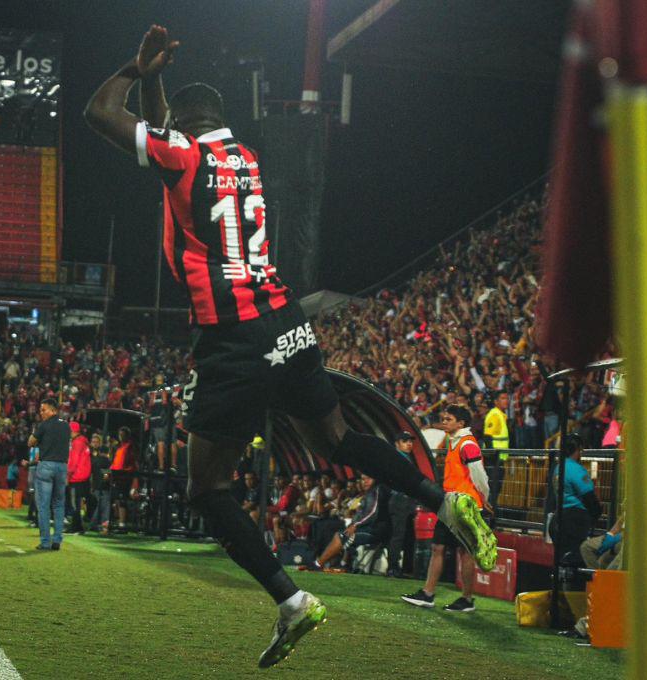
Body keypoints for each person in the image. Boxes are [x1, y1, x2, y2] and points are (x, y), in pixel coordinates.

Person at [84, 24, 496, 667]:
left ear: (184, 131)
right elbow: (171, 130)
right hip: (288, 320)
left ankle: (290, 600)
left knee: (205, 488)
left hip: (233, 337)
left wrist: (136, 70)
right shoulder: (244, 158)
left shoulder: (185, 158)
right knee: (337, 440)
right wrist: (163, 82)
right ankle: (445, 500)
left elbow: (99, 113)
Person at [402, 405, 491, 612]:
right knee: (439, 547)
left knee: (464, 552)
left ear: (461, 423)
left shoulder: (467, 444)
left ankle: (466, 599)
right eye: (443, 418)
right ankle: (428, 594)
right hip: (452, 503)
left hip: (464, 505)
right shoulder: (456, 442)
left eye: (449, 419)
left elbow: (479, 475)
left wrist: (484, 498)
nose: (444, 422)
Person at [552, 433, 602, 565]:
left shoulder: (559, 467)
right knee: (576, 560)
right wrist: (597, 514)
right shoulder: (576, 470)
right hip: (574, 521)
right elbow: (589, 497)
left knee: (562, 560)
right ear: (577, 450)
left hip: (559, 517)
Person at [29, 398, 71, 550]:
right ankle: (57, 540)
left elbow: (30, 442)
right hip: (62, 467)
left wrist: (36, 433)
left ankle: (46, 542)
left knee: (43, 505)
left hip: (46, 466)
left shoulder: (43, 425)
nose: (41, 413)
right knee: (59, 505)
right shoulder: (66, 426)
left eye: (43, 409)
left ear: (53, 410)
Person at [385, 431, 418, 577]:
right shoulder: (397, 458)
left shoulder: (406, 458)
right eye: (405, 441)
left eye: (410, 441)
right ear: (397, 444)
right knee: (398, 535)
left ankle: (405, 568)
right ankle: (393, 567)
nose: (409, 443)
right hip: (400, 500)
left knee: (406, 535)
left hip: (406, 499)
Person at [484, 392, 510, 506]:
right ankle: (488, 517)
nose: (506, 401)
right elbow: (487, 436)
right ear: (496, 402)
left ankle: (490, 514)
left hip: (498, 459)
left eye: (507, 398)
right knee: (493, 490)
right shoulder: (495, 414)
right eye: (503, 398)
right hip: (494, 460)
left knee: (495, 490)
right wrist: (493, 454)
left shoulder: (500, 415)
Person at [66, 421, 92, 534]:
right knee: (77, 502)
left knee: (74, 503)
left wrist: (68, 474)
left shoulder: (77, 442)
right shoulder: (83, 441)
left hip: (76, 476)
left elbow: (73, 461)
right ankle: (77, 526)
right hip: (83, 476)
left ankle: (76, 527)